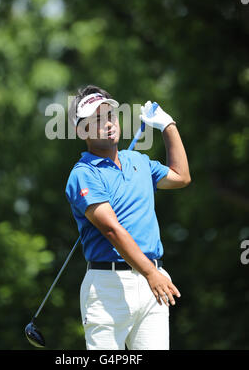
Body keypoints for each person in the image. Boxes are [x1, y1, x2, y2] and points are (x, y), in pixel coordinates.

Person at [65, 85, 191, 350]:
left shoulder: (139, 161)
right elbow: (112, 230)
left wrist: (168, 126)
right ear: (81, 130)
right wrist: (150, 272)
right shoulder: (83, 174)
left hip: (152, 285)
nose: (107, 123)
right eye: (96, 120)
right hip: (107, 287)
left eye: (110, 115)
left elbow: (181, 177)